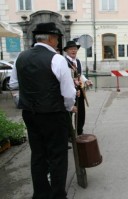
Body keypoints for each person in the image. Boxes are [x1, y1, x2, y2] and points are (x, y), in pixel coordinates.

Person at [9, 22, 77, 199]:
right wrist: (70, 107)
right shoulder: (57, 59)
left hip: (30, 114)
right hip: (54, 114)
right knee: (57, 156)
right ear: (51, 38)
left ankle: (40, 194)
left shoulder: (21, 57)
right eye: (56, 39)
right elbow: (68, 93)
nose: (57, 43)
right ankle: (57, 195)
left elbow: (13, 84)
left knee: (38, 155)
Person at [64, 40, 93, 135]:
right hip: (69, 91)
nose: (73, 51)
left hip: (80, 90)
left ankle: (79, 131)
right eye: (71, 49)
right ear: (66, 51)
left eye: (75, 49)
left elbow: (80, 75)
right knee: (69, 112)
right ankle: (69, 134)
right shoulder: (64, 61)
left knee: (80, 112)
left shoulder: (78, 61)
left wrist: (86, 80)